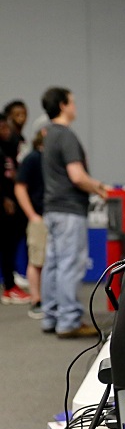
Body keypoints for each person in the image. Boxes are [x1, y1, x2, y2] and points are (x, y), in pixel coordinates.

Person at [41, 87, 108, 338]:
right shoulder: (66, 136)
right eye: (72, 102)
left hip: (52, 208)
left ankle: (51, 316)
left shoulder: (48, 135)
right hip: (69, 209)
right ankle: (68, 321)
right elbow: (77, 176)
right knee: (70, 264)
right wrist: (98, 187)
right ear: (62, 105)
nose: (75, 106)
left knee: (54, 264)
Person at [14, 124, 49, 318]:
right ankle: (36, 300)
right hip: (39, 216)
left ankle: (50, 300)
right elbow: (20, 187)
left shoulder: (53, 159)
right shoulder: (33, 158)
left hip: (54, 216)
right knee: (36, 260)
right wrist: (32, 215)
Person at [0, 115, 30, 304]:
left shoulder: (8, 149)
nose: (6, 131)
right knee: (6, 246)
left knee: (9, 246)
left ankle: (11, 286)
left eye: (6, 127)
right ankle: (9, 287)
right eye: (2, 128)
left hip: (11, 204)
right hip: (4, 204)